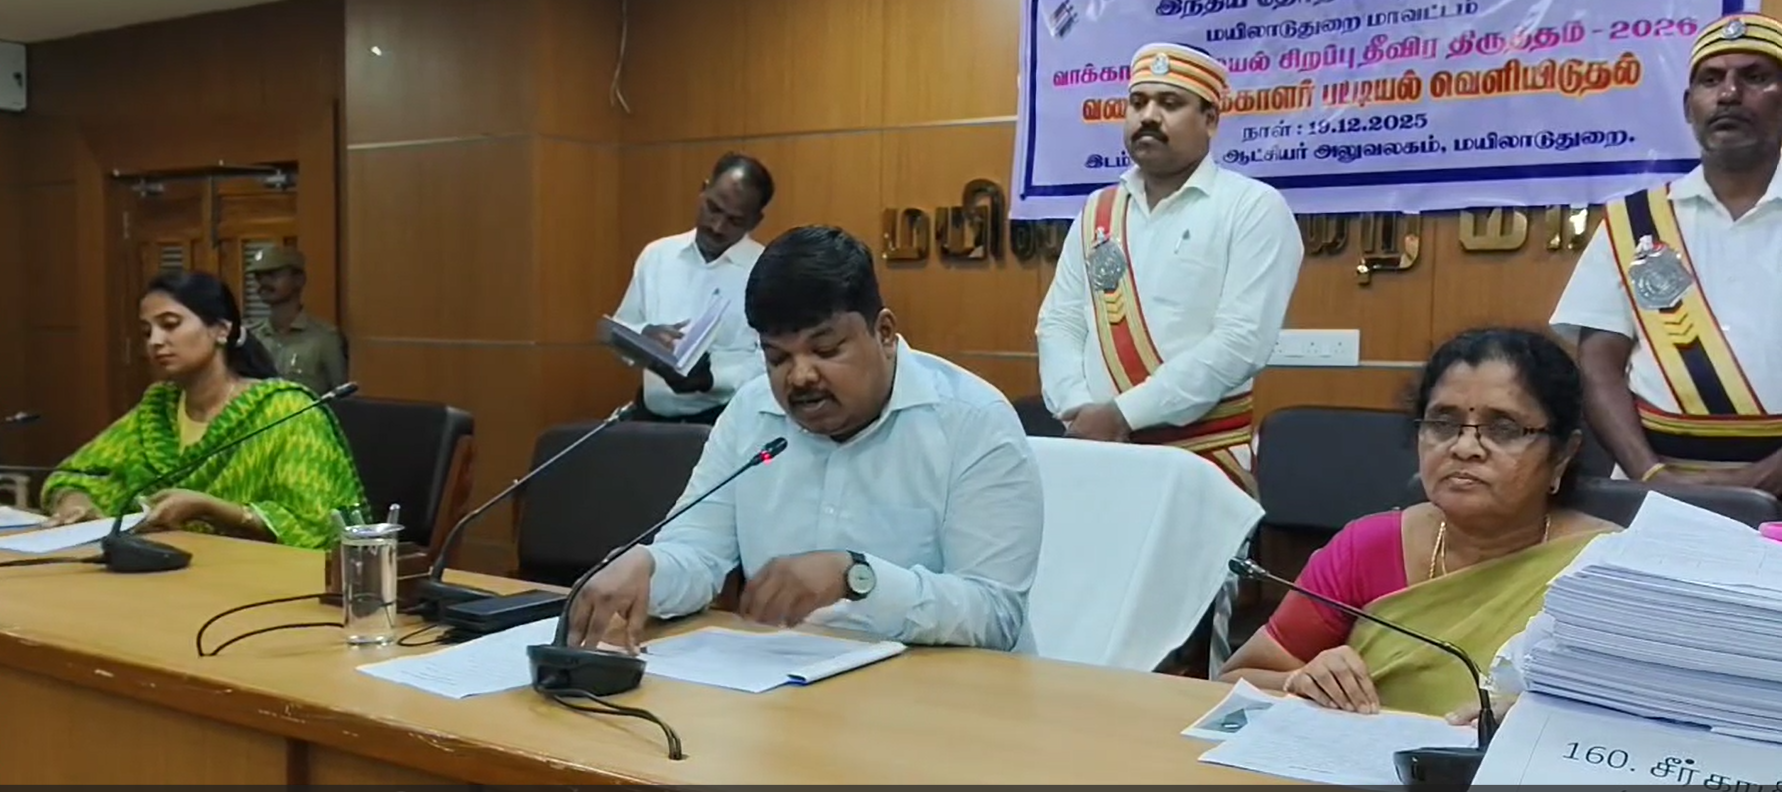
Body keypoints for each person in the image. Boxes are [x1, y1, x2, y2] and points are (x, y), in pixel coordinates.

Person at [567, 225, 1044, 652]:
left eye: (826, 350)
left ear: (884, 333)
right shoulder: (752, 412)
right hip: (788, 684)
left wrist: (855, 577)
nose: (799, 377)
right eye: (777, 358)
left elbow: (995, 614)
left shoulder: (973, 421)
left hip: (944, 699)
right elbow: (697, 551)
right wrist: (649, 568)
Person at [1218, 328, 1617, 720]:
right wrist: (1300, 681)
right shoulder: (1368, 548)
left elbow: (1637, 725)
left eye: (1504, 429)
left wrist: (1541, 720)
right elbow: (1234, 680)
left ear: (1562, 454)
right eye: (1443, 423)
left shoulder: (1606, 569)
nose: (1464, 447)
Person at [1035, 41, 1304, 497]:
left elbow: (1240, 343)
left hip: (1200, 459)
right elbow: (1059, 322)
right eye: (1138, 102)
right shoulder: (1098, 210)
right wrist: (1080, 410)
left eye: (1170, 103)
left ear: (1210, 120)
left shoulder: (1252, 207)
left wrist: (1123, 414)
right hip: (1095, 453)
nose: (1148, 116)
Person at [1551, 12, 1782, 494]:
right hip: (1654, 494)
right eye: (1710, 80)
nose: (1729, 94)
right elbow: (1599, 366)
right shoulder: (1634, 223)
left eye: (1755, 77)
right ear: (1688, 106)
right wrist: (1653, 478)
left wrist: (1763, 480)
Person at [38, 271, 366, 550]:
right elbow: (77, 474)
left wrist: (212, 508)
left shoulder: (285, 410)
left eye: (170, 325)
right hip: (163, 574)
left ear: (221, 330)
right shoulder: (157, 410)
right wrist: (74, 501)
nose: (155, 341)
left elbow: (315, 524)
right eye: (147, 331)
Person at [611, 152, 775, 425]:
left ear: (755, 221)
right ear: (703, 190)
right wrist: (644, 336)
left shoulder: (768, 270)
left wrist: (713, 379)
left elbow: (774, 362)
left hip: (728, 424)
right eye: (713, 208)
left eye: (734, 220)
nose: (717, 226)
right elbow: (622, 328)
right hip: (652, 420)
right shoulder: (657, 255)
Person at [246, 246, 348, 396]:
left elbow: (342, 398)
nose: (264, 282)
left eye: (273, 275)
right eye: (258, 277)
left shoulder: (325, 339)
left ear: (299, 279)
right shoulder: (251, 337)